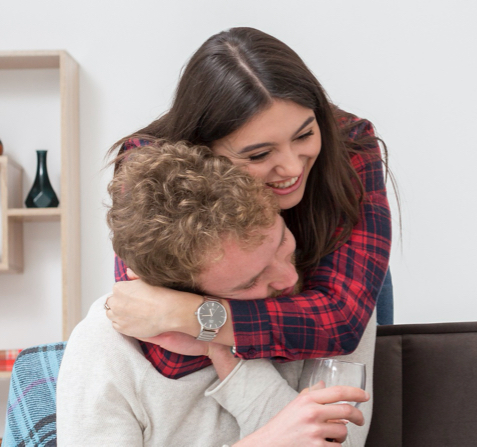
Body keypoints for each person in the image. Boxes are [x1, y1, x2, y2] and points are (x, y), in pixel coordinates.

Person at [102, 27, 392, 379]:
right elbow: (160, 343)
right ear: (203, 151)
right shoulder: (151, 169)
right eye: (259, 153)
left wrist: (189, 315)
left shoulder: (348, 142)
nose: (291, 166)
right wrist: (289, 324)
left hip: (336, 280)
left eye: (304, 134)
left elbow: (341, 324)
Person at [58, 141, 374, 446]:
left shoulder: (328, 306)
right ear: (174, 291)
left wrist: (220, 348)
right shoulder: (106, 345)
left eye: (281, 243)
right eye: (251, 281)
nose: (289, 277)